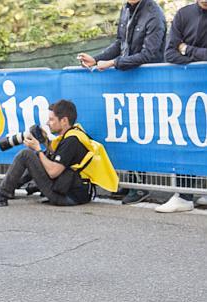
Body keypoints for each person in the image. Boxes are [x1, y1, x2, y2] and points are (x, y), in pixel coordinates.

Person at [77, 0, 166, 205]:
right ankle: (132, 182)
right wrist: (97, 58)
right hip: (126, 83)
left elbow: (149, 54)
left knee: (143, 134)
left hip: (149, 84)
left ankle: (141, 186)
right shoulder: (126, 9)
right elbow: (120, 44)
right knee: (128, 132)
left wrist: (113, 63)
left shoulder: (154, 14)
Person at [0, 100, 98, 207]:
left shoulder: (71, 141)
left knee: (26, 155)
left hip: (68, 197)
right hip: (76, 193)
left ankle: (2, 194)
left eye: (52, 119)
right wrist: (45, 142)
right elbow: (62, 159)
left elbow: (53, 172)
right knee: (38, 156)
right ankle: (7, 188)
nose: (48, 123)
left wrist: (38, 149)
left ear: (64, 121)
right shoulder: (75, 134)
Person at [156, 0, 207, 213]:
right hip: (190, 91)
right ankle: (184, 195)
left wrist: (186, 49)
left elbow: (179, 51)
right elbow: (169, 54)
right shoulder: (183, 14)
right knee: (187, 137)